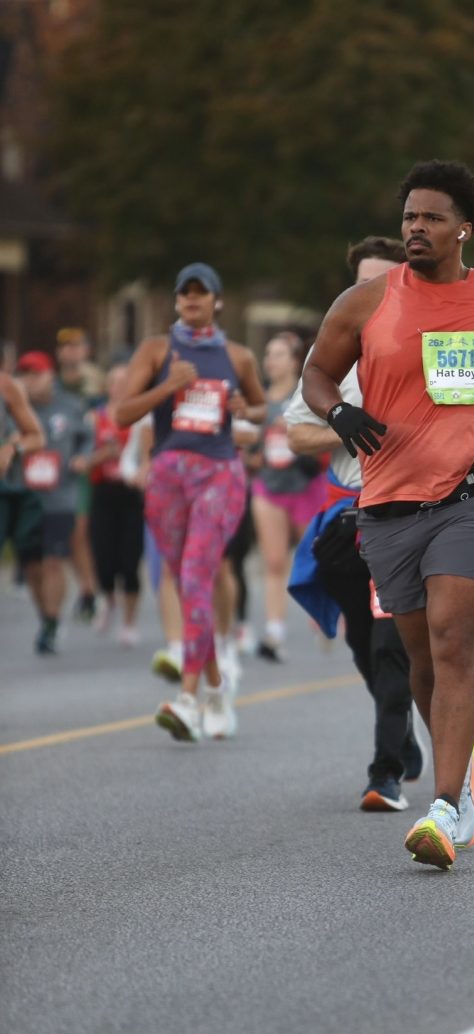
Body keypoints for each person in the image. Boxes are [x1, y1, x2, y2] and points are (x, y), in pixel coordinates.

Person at [302, 160, 474, 868]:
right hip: (390, 503)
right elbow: (316, 372)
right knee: (420, 658)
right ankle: (456, 766)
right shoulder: (366, 303)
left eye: (429, 217)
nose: (414, 229)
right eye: (407, 218)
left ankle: (448, 803)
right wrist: (336, 410)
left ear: (464, 227)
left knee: (455, 641)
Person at [287, 234, 427, 812]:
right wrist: (349, 428)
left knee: (394, 643)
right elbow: (295, 431)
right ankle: (404, 736)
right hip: (347, 516)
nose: (371, 292)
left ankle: (385, 772)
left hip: (406, 510)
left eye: (382, 280)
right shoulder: (336, 348)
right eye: (361, 282)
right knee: (365, 645)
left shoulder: (430, 343)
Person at [114, 262, 266, 742]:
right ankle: (219, 690)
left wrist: (247, 409)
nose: (192, 301)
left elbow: (261, 407)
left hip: (220, 472)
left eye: (201, 295)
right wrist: (168, 386)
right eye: (185, 295)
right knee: (185, 583)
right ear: (177, 301)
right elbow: (121, 413)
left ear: (217, 302)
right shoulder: (156, 349)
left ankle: (187, 699)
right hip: (167, 473)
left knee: (198, 575)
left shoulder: (237, 355)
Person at [250, 331, 325, 661]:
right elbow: (251, 451)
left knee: (315, 558)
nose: (271, 361)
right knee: (274, 561)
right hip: (269, 486)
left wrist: (295, 431)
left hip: (307, 485)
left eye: (279, 355)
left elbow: (327, 436)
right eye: (268, 354)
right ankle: (274, 631)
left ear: (295, 361)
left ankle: (323, 612)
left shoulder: (308, 395)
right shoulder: (259, 401)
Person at [16, 351, 95, 653]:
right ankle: (45, 616)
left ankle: (51, 622)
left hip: (61, 495)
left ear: (51, 375)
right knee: (33, 566)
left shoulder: (70, 406)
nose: (31, 382)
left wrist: (82, 458)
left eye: (36, 374)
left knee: (53, 561)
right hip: (26, 495)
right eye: (25, 375)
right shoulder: (14, 407)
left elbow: (89, 437)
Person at [87, 364, 145, 645]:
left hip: (130, 494)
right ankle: (108, 597)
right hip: (102, 493)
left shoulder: (140, 417)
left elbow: (149, 452)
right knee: (104, 559)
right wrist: (102, 455)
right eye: (116, 382)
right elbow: (81, 460)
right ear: (108, 387)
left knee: (130, 561)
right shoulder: (95, 418)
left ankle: (129, 622)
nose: (120, 387)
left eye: (126, 381)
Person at [54, 327, 105, 621]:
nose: (70, 352)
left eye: (76, 346)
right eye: (65, 347)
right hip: (57, 467)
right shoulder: (54, 385)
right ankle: (86, 590)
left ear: (86, 350)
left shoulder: (95, 386)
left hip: (88, 466)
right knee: (69, 532)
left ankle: (89, 589)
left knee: (80, 531)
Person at [0, 366, 45, 601]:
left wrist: (11, 449)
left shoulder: (7, 386)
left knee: (34, 559)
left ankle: (49, 619)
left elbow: (37, 437)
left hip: (4, 490)